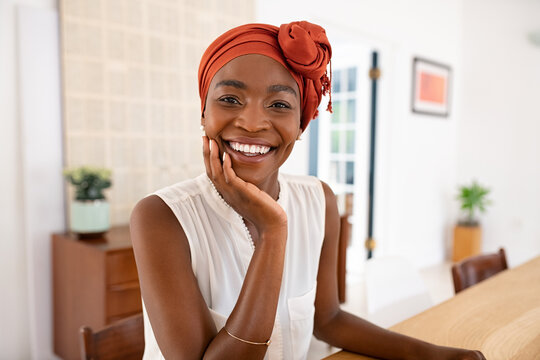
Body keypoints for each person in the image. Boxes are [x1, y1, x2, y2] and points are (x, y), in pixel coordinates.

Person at [130, 21, 486, 360]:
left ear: (301, 123)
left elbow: (327, 319)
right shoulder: (161, 217)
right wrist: (272, 232)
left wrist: (431, 353)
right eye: (230, 99)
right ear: (203, 113)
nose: (252, 123)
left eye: (280, 104)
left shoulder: (319, 200)